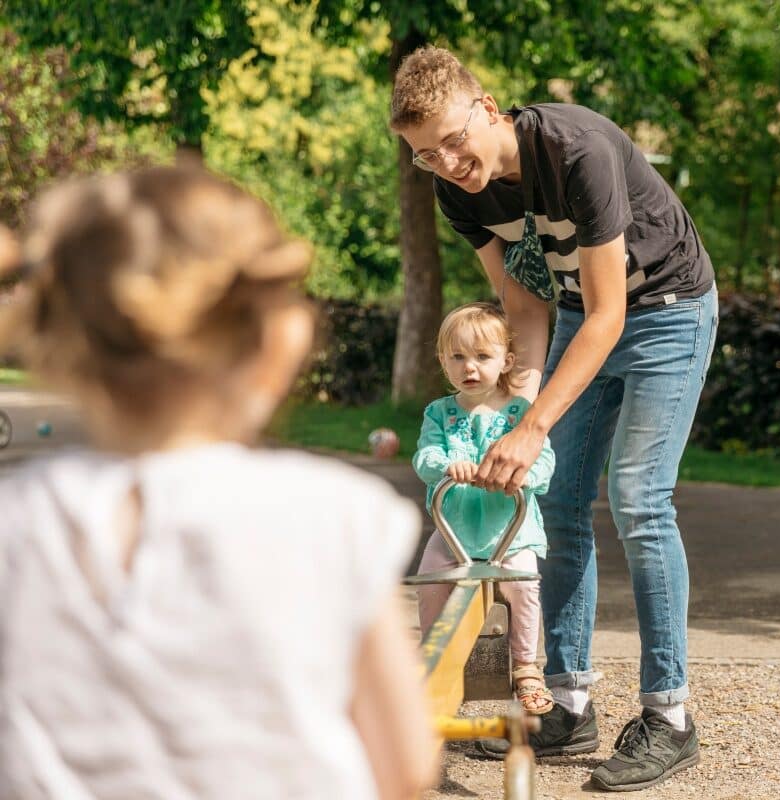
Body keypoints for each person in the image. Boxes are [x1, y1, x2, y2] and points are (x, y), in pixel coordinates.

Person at [0, 165, 438, 800]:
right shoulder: (331, 515)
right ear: (280, 342)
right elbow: (405, 763)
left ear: (63, 345)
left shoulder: (16, 521)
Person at [391, 46, 718, 792]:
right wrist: (513, 411)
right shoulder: (459, 190)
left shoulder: (575, 150)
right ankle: (566, 704)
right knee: (556, 499)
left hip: (666, 311)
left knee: (638, 499)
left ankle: (669, 717)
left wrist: (532, 425)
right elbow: (524, 303)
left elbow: (609, 314)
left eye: (452, 141)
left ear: (487, 109)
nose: (446, 164)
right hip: (577, 315)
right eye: (425, 155)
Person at [413, 302, 555, 715]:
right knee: (430, 581)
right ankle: (433, 660)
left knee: (523, 585)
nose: (469, 367)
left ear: (506, 361)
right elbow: (425, 458)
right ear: (443, 361)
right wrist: (447, 466)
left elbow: (544, 459)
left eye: (482, 356)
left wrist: (524, 475)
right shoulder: (439, 413)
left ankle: (526, 667)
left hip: (509, 532)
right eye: (457, 357)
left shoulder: (520, 414)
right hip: (454, 530)